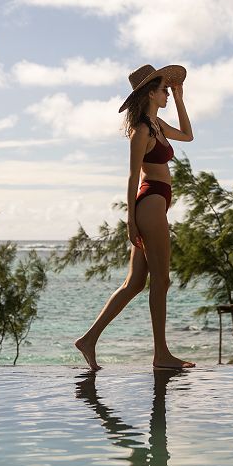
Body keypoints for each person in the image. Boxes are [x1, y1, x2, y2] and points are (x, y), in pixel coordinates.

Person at [75, 64, 195, 371]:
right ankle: (161, 354)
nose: (168, 92)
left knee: (135, 283)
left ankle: (88, 339)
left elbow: (188, 135)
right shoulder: (141, 130)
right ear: (151, 93)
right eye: (164, 89)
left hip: (156, 204)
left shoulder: (157, 125)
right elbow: (131, 177)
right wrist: (130, 221)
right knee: (162, 280)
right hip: (150, 204)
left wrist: (181, 99)